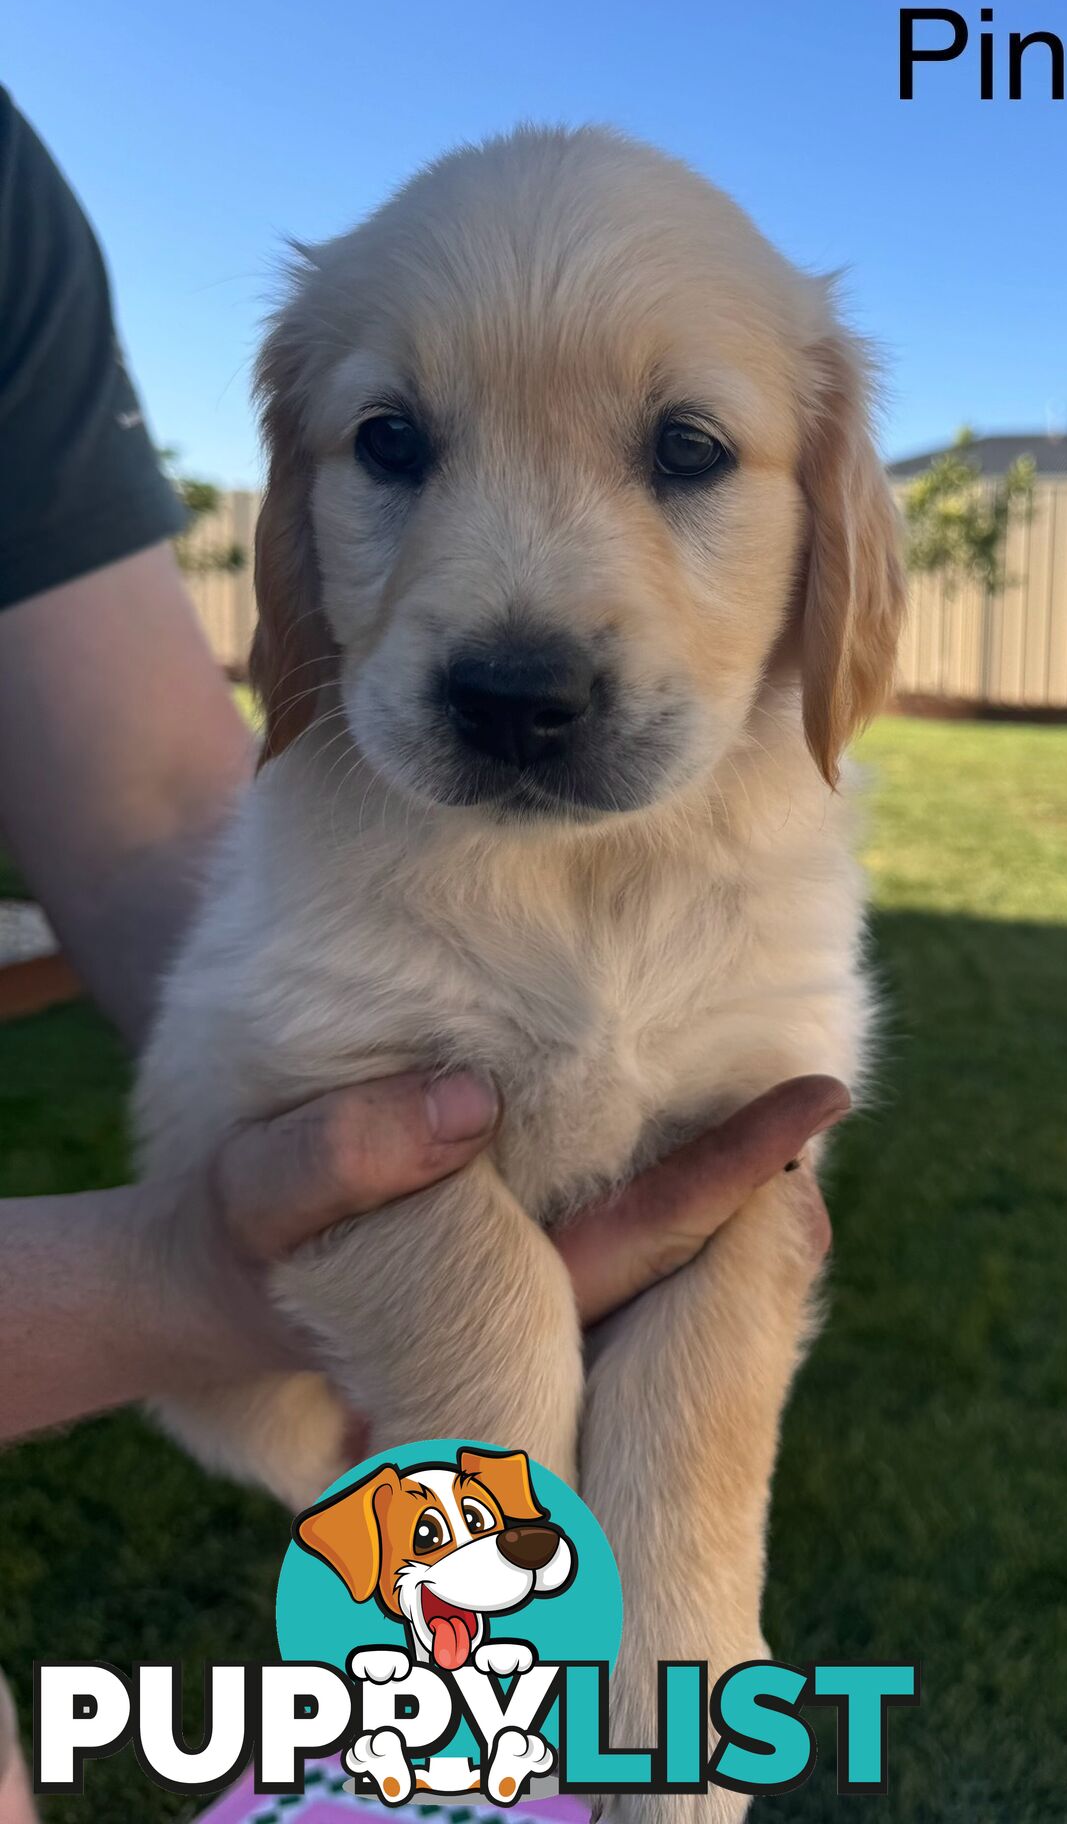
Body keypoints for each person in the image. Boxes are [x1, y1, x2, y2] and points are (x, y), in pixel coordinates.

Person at [0, 87, 845, 1819]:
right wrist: (486, 1381)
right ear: (303, 508)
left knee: (748, 1212)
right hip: (310, 1438)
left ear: (835, 521)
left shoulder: (784, 849)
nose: (521, 630)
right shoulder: (328, 819)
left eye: (684, 452)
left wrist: (685, 1584)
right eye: (398, 446)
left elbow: (752, 1177)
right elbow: (286, 1101)